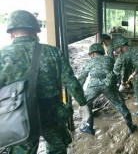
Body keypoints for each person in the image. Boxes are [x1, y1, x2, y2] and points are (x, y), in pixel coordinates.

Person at [0, 10, 87, 154]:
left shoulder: (2, 56)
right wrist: (83, 104)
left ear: (11, 34)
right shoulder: (53, 52)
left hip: (19, 117)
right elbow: (71, 82)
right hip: (52, 114)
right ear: (36, 31)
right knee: (57, 149)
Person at [78, 43, 137, 135]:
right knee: (120, 105)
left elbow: (82, 77)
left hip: (94, 85)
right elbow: (115, 71)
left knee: (86, 104)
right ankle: (130, 127)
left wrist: (77, 90)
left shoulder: (89, 61)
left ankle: (88, 127)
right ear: (101, 51)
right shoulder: (109, 59)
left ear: (92, 54)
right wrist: (117, 84)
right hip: (108, 84)